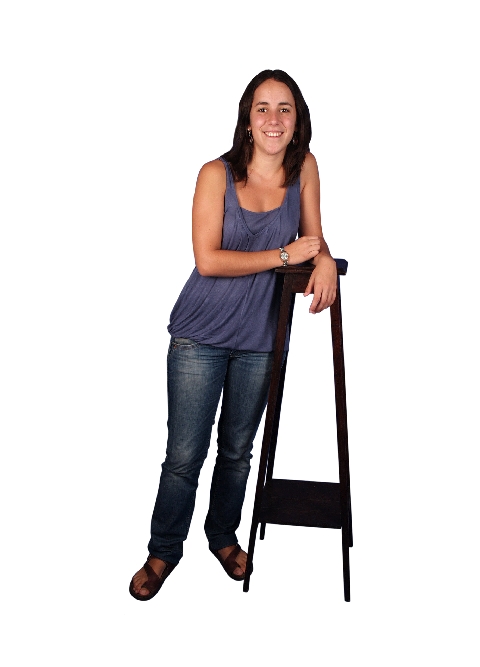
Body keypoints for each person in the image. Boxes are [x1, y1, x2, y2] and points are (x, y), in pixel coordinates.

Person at [129, 69, 337, 600]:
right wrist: (285, 255)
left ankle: (222, 536)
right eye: (262, 108)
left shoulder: (305, 167)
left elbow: (314, 237)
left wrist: (326, 260)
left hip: (262, 337)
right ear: (247, 119)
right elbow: (209, 260)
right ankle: (162, 550)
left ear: (298, 120)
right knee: (184, 455)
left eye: (285, 108)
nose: (274, 119)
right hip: (200, 335)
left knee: (238, 451)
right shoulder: (214, 174)